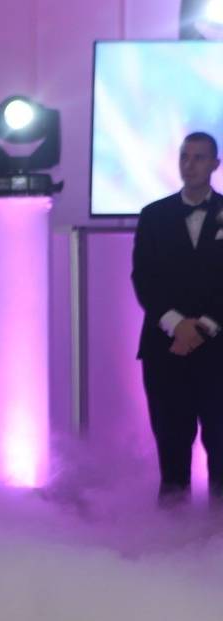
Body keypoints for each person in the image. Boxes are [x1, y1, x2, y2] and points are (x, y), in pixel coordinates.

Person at [132, 131, 223, 504]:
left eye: (200, 157)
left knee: (221, 436)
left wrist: (202, 326)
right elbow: (143, 276)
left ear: (215, 164)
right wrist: (177, 325)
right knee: (170, 436)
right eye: (185, 156)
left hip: (218, 347)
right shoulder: (153, 215)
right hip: (164, 346)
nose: (191, 164)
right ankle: (171, 534)